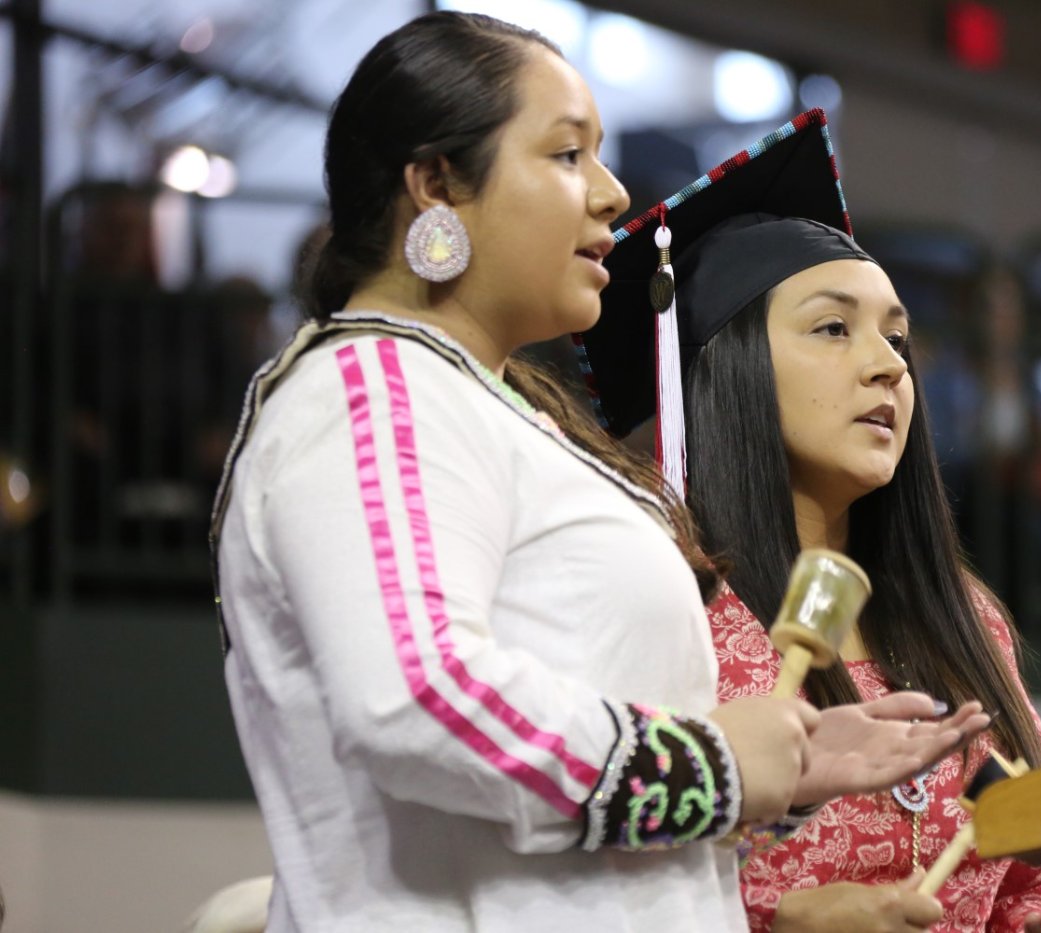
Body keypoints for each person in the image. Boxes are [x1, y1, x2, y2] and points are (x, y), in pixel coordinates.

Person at [209, 14, 986, 932]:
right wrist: (712, 764)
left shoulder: (490, 408)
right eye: (568, 154)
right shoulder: (374, 387)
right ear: (436, 185)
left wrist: (781, 767)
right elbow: (415, 700)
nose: (613, 194)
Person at [584, 111, 1041, 933]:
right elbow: (591, 887)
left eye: (898, 336)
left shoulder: (963, 615)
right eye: (833, 328)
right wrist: (778, 922)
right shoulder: (668, 602)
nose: (888, 363)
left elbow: (1039, 858)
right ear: (729, 368)